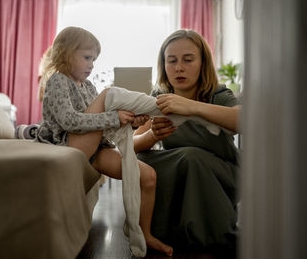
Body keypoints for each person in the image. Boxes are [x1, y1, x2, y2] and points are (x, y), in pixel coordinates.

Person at [36, 26, 173, 256]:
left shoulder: (88, 86)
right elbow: (69, 121)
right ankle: (157, 105)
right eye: (87, 57)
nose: (91, 64)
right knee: (109, 95)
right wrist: (113, 116)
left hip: (95, 147)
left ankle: (145, 233)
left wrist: (129, 122)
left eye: (94, 59)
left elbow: (100, 127)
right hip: (67, 144)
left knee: (148, 176)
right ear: (65, 53)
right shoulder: (58, 80)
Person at [133, 29, 241, 257]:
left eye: (188, 60)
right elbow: (132, 145)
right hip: (185, 167)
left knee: (191, 157)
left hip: (222, 174)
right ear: (164, 66)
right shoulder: (159, 96)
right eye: (171, 61)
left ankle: (209, 236)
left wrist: (192, 107)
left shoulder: (217, 94)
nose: (178, 67)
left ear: (203, 63)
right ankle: (162, 230)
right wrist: (152, 135)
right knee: (142, 163)